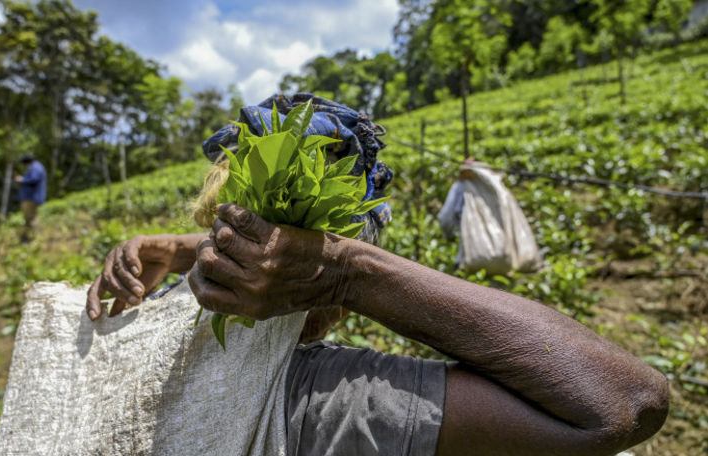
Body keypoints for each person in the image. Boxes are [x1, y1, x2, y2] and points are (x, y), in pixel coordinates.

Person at [85, 95, 668, 455]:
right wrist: (348, 272)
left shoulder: (138, 363)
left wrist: (338, 268)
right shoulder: (330, 401)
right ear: (323, 318)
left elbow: (627, 401)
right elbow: (628, 404)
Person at [15, 153, 47, 243]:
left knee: (31, 218)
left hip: (31, 197)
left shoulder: (35, 167)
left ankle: (33, 238)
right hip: (32, 197)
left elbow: (33, 179)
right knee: (30, 217)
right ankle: (29, 238)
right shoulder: (37, 167)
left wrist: (22, 180)